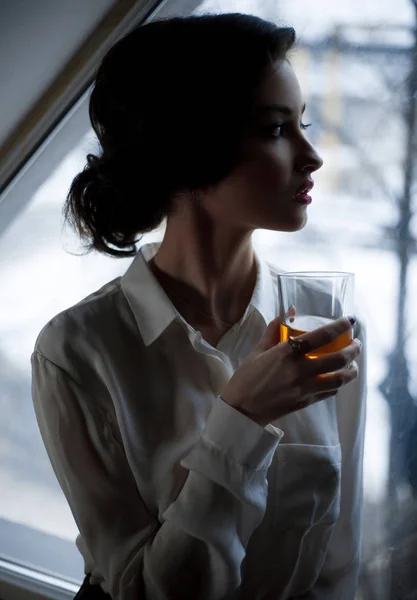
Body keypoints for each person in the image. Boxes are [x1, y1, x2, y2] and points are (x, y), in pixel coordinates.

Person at [31, 12, 366, 600]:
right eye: (275, 130)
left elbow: (341, 564)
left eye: (303, 124)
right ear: (188, 145)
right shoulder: (78, 351)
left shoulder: (322, 322)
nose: (312, 156)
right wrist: (240, 419)